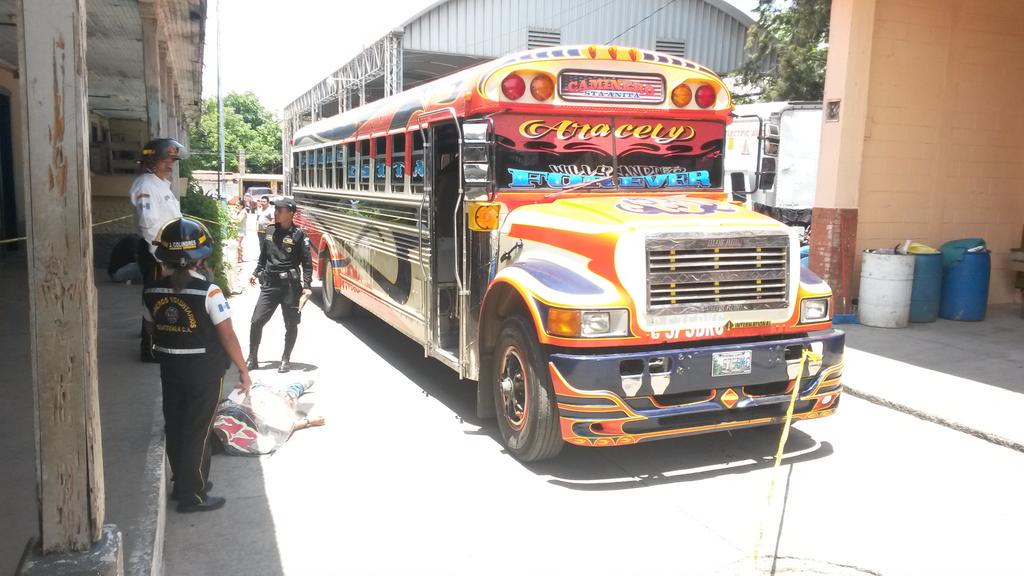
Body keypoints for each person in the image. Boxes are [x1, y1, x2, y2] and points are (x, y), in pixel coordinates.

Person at [144, 217, 252, 513]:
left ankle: (185, 482)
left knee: (177, 426)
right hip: (203, 371)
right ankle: (193, 495)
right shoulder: (210, 292)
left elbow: (152, 329)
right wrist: (243, 369)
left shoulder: (151, 291)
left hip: (170, 369)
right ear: (201, 256)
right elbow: (226, 334)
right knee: (198, 431)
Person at [130, 138, 187, 362]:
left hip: (167, 252)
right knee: (154, 298)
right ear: (152, 160)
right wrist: (160, 258)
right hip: (155, 252)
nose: (171, 164)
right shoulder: (146, 185)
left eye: (173, 160)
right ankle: (150, 347)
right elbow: (148, 223)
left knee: (163, 296)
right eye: (166, 160)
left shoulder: (159, 183)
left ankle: (160, 339)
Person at [247, 197, 312, 373]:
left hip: (290, 286)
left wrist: (307, 286)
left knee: (291, 324)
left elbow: (307, 263)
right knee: (256, 321)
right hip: (270, 284)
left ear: (291, 214)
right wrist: (255, 272)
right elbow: (263, 256)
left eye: (280, 210)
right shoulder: (269, 231)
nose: (276, 213)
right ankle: (252, 357)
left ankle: (286, 359)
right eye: (276, 209)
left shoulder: (299, 235)